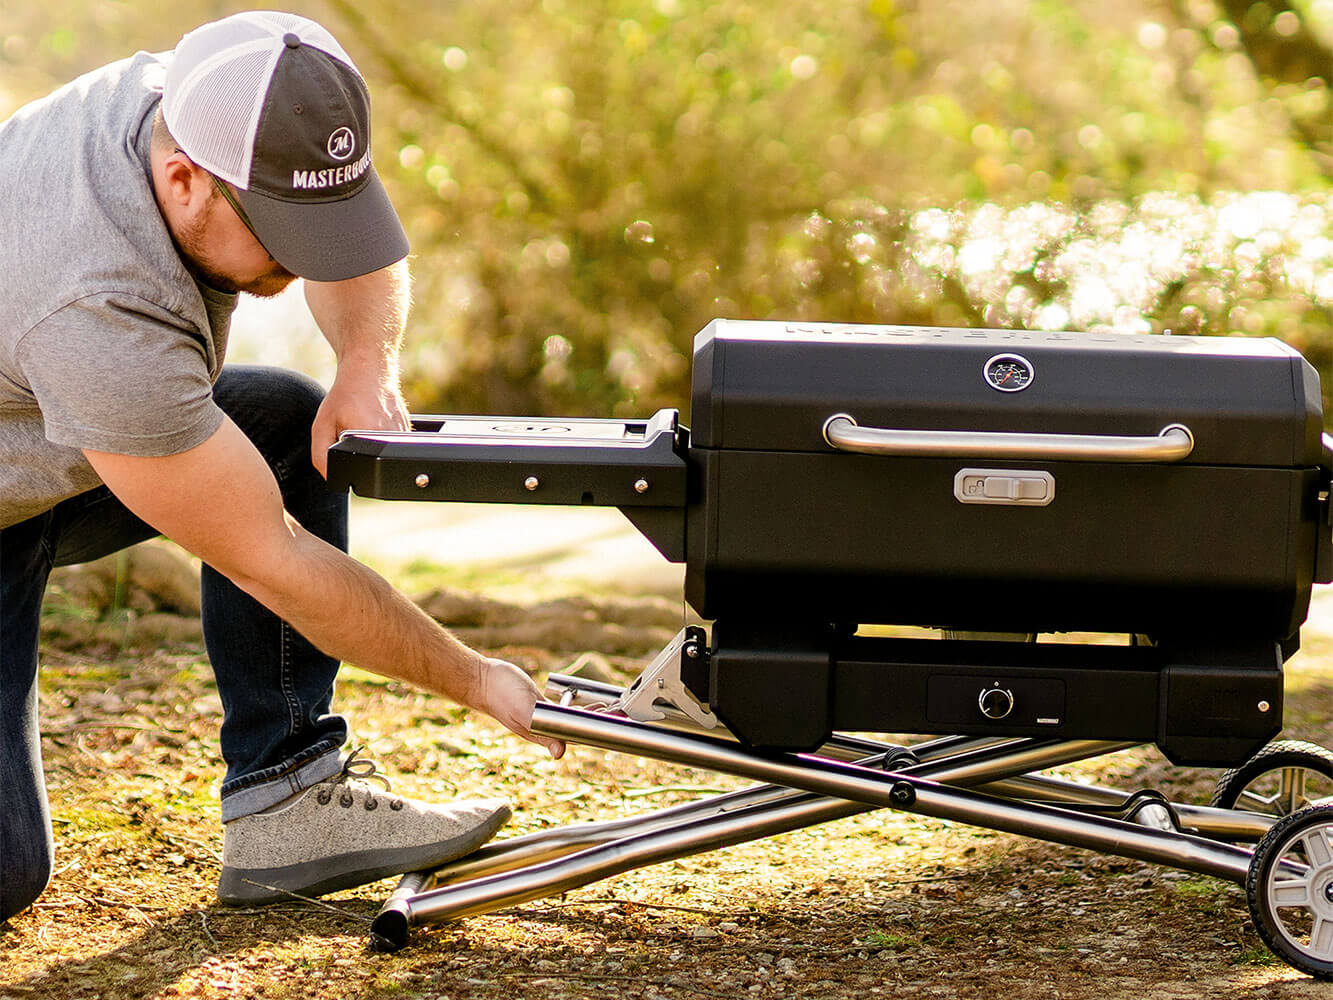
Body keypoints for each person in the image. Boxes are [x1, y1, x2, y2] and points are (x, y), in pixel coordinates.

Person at [0, 10, 565, 921]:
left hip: (40, 453)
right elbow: (276, 563)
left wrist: (362, 367)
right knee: (5, 873)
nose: (307, 266)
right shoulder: (95, 305)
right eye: (283, 234)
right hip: (30, 461)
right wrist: (475, 679)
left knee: (281, 421)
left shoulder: (234, 98)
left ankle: (287, 799)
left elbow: (353, 232)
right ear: (183, 182)